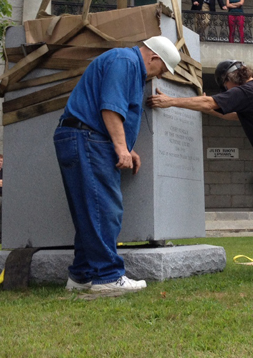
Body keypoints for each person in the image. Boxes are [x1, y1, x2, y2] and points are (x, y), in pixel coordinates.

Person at [148, 60, 253, 281]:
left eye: (225, 88)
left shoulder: (245, 91)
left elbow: (209, 102)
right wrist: (214, 110)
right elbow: (236, 114)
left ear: (230, 80)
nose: (226, 92)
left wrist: (170, 101)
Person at [54, 35, 181, 295]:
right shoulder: (126, 61)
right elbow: (110, 109)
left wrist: (126, 147)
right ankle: (108, 277)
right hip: (88, 139)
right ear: (154, 57)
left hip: (82, 137)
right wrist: (120, 147)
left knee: (90, 212)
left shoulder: (123, 62)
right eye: (162, 69)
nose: (158, 75)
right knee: (104, 209)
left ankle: (81, 276)